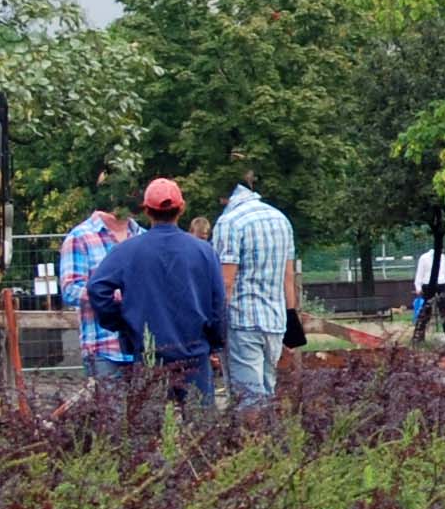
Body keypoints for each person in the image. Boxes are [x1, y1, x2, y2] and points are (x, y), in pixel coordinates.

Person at [85, 178, 228, 404]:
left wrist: (121, 322)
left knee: (149, 432)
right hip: (194, 354)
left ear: (147, 211)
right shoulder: (204, 251)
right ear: (181, 209)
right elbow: (218, 303)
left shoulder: (128, 251)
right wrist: (216, 341)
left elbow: (97, 288)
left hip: (149, 355)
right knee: (201, 433)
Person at [210, 168, 303, 406]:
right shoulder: (280, 219)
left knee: (247, 399)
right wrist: (290, 318)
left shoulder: (229, 222)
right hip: (275, 321)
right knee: (266, 391)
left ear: (224, 196)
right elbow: (288, 276)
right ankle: (269, 439)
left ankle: (252, 441)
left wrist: (214, 326)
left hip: (242, 321)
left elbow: (226, 281)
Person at [56, 178, 137, 384]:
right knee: (110, 414)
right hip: (103, 347)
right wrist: (105, 295)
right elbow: (70, 289)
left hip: (143, 347)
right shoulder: (80, 237)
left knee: (148, 415)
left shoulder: (142, 236)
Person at [413, 244, 445, 343]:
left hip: (441, 284)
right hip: (428, 284)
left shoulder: (442, 257)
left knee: (444, 310)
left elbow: (444, 270)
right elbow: (419, 274)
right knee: (426, 309)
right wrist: (418, 287)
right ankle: (419, 334)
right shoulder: (424, 258)